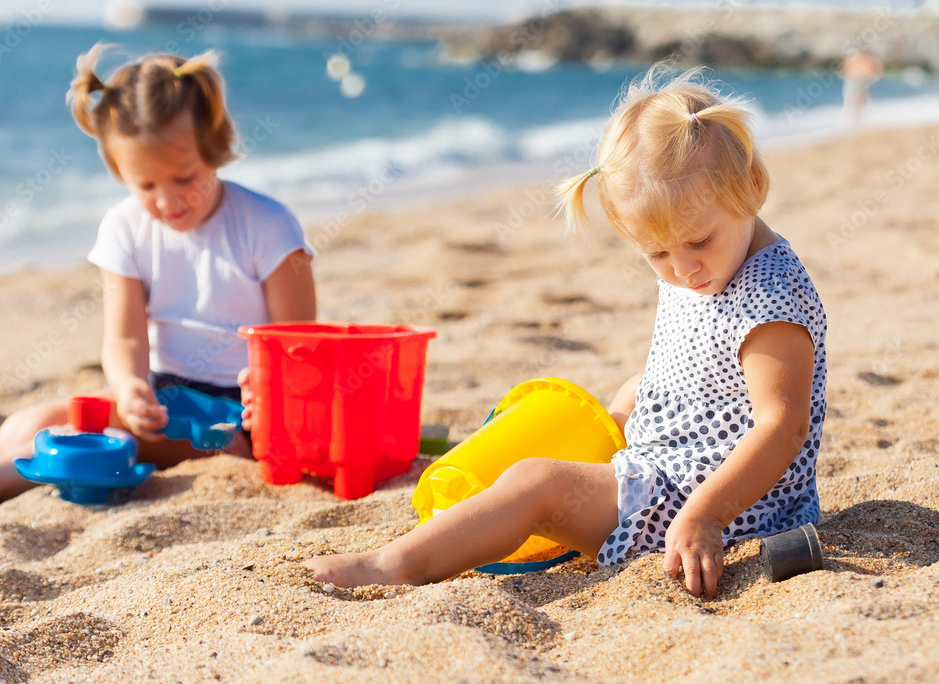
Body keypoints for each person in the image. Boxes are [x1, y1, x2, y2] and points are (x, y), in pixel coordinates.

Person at [305, 65, 827, 598]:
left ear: (753, 187)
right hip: (681, 460)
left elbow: (781, 427)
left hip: (728, 505)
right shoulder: (710, 259)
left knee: (539, 482)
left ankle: (394, 564)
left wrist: (705, 517)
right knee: (629, 389)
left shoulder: (773, 300)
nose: (683, 269)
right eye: (657, 253)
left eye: (699, 241)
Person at [0, 45, 316, 514]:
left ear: (215, 147)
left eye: (184, 176)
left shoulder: (267, 226)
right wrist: (129, 386)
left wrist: (268, 398)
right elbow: (124, 337)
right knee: (24, 427)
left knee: (100, 440)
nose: (167, 201)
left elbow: (298, 345)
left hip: (245, 412)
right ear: (120, 171)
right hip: (163, 397)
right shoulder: (125, 227)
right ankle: (5, 472)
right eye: (146, 185)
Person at [839, 49, 883, 126]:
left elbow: (875, 70)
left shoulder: (866, 60)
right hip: (854, 80)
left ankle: (855, 120)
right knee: (854, 100)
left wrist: (871, 77)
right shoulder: (854, 59)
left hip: (861, 80)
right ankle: (851, 120)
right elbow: (843, 69)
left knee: (859, 100)